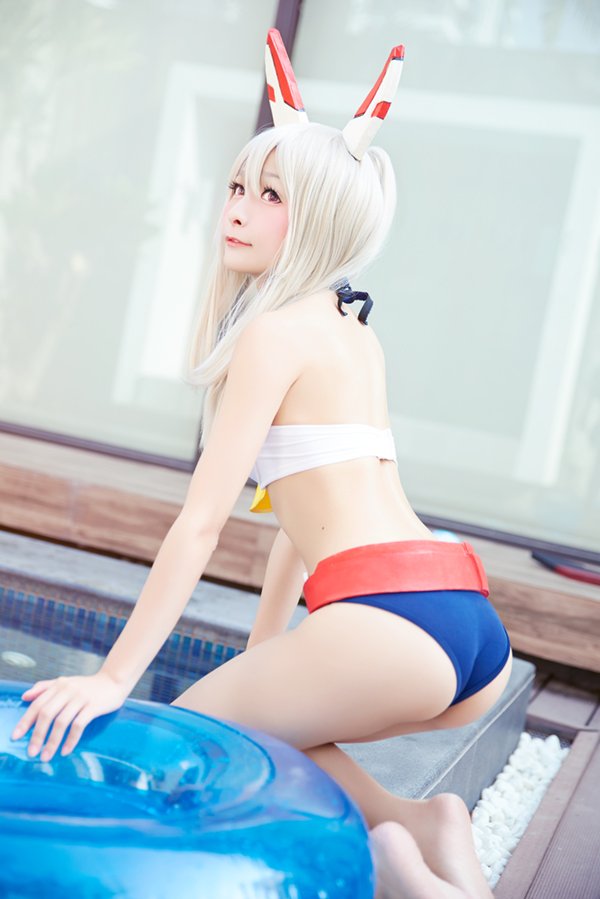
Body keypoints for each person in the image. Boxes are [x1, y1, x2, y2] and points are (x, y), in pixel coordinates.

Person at [10, 29, 512, 899]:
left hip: (390, 621)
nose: (238, 209)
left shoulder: (273, 335)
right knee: (263, 723)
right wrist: (266, 658)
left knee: (194, 739)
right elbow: (297, 523)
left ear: (318, 219)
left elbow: (201, 522)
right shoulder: (354, 333)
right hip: (467, 621)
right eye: (238, 187)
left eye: (271, 195)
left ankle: (396, 866)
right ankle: (422, 825)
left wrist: (113, 676)